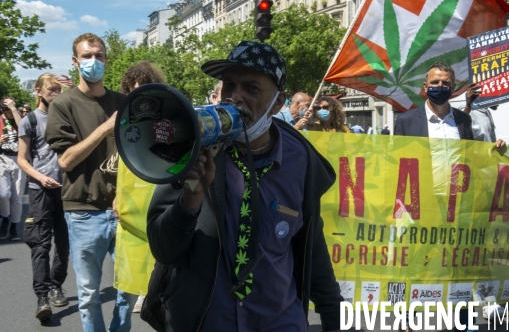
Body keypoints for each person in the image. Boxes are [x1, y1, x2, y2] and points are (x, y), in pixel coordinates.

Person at [146, 40, 343, 332]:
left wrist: (333, 315)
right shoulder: (192, 148)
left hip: (280, 321)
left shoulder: (299, 159)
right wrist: (190, 200)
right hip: (208, 323)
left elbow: (310, 240)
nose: (236, 98)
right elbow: (165, 250)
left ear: (278, 101)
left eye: (251, 88)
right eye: (229, 85)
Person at [394, 63, 505, 332]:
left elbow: (473, 158)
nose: (439, 88)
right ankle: (409, 318)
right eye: (434, 83)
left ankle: (462, 320)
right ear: (424, 87)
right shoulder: (406, 121)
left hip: (458, 205)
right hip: (421, 204)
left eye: (445, 83)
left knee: (459, 264)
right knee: (417, 262)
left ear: (453, 88)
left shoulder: (464, 121)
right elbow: (395, 165)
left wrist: (495, 151)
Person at [45, 33, 136, 332]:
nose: (93, 61)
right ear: (75, 62)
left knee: (129, 287)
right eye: (87, 56)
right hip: (84, 210)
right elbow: (65, 161)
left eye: (99, 55)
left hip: (124, 211)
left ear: (107, 59)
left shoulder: (123, 102)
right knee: (89, 293)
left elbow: (135, 155)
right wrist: (105, 128)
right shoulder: (63, 104)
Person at [17, 73, 69, 321]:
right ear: (38, 91)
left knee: (64, 244)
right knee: (41, 245)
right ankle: (42, 297)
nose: (56, 94)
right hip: (40, 192)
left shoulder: (67, 116)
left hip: (67, 190)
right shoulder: (29, 120)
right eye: (51, 90)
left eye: (59, 90)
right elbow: (21, 159)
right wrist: (39, 177)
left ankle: (56, 284)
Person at [115, 61, 165, 314]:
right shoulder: (125, 120)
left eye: (144, 86)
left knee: (162, 240)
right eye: (134, 89)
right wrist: (117, 196)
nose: (140, 93)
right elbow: (123, 160)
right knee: (138, 241)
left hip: (161, 189)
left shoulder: (168, 114)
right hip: (134, 194)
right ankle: (142, 289)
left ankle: (158, 289)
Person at [0, 96, 25, 240]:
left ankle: (14, 226)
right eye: (6, 109)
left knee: (17, 198)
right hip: (2, 158)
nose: (9, 112)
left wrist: (14, 110)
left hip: (19, 159)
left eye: (11, 108)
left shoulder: (20, 119)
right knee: (3, 194)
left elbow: (23, 127)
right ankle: (4, 217)